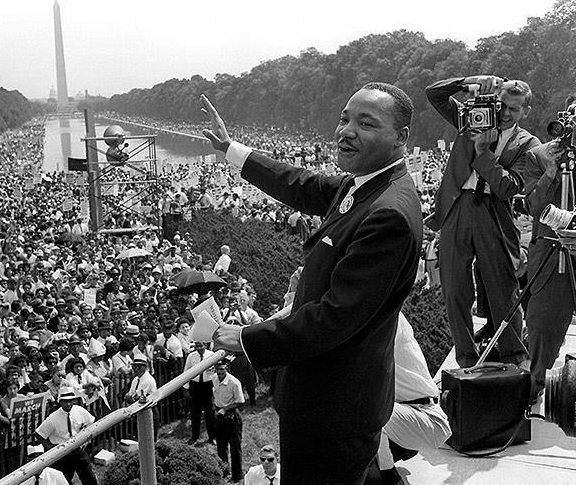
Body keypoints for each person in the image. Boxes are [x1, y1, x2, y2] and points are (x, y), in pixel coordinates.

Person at [204, 81, 422, 484]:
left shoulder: (388, 213)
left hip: (335, 408)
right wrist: (231, 149)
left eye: (366, 122)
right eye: (344, 118)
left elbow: (335, 318)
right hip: (326, 398)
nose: (347, 130)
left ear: (400, 138)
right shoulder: (365, 184)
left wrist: (249, 338)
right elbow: (300, 184)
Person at [425, 75, 539, 368]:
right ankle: (466, 356)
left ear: (526, 111)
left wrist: (482, 153)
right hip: (456, 207)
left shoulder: (528, 143)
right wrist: (468, 81)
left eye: (513, 109)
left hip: (493, 212)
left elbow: (508, 187)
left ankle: (514, 356)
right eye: (501, 105)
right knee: (454, 288)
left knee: (503, 287)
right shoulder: (471, 119)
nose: (504, 113)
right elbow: (434, 94)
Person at [523, 90, 576, 401]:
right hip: (553, 254)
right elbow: (534, 207)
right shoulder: (539, 155)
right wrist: (551, 172)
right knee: (544, 328)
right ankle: (535, 389)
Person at [377, 312, 451, 484]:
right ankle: (393, 451)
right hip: (406, 410)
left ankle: (390, 478)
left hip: (427, 417)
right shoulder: (380, 310)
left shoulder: (384, 321)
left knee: (368, 411)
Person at [35, 387, 98, 485]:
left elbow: (91, 422)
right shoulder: (53, 418)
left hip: (77, 450)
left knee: (89, 477)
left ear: (74, 400)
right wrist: (50, 448)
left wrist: (86, 438)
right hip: (62, 454)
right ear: (60, 402)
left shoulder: (79, 411)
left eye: (70, 401)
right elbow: (39, 434)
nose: (68, 404)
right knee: (64, 480)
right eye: (65, 401)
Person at [212, 358, 245, 483]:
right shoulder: (214, 378)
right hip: (219, 415)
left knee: (235, 447)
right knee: (221, 446)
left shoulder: (234, 382)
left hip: (232, 416)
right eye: (217, 369)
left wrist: (225, 409)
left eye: (222, 369)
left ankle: (237, 476)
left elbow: (240, 401)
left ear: (227, 368)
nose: (219, 372)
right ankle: (224, 472)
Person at [183, 341, 216, 444]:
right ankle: (194, 436)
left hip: (208, 386)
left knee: (209, 413)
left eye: (201, 345)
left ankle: (212, 437)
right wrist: (186, 388)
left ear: (205, 345)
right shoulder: (191, 357)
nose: (199, 348)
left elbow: (215, 372)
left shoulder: (211, 355)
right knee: (195, 413)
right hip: (195, 386)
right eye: (197, 346)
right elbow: (186, 372)